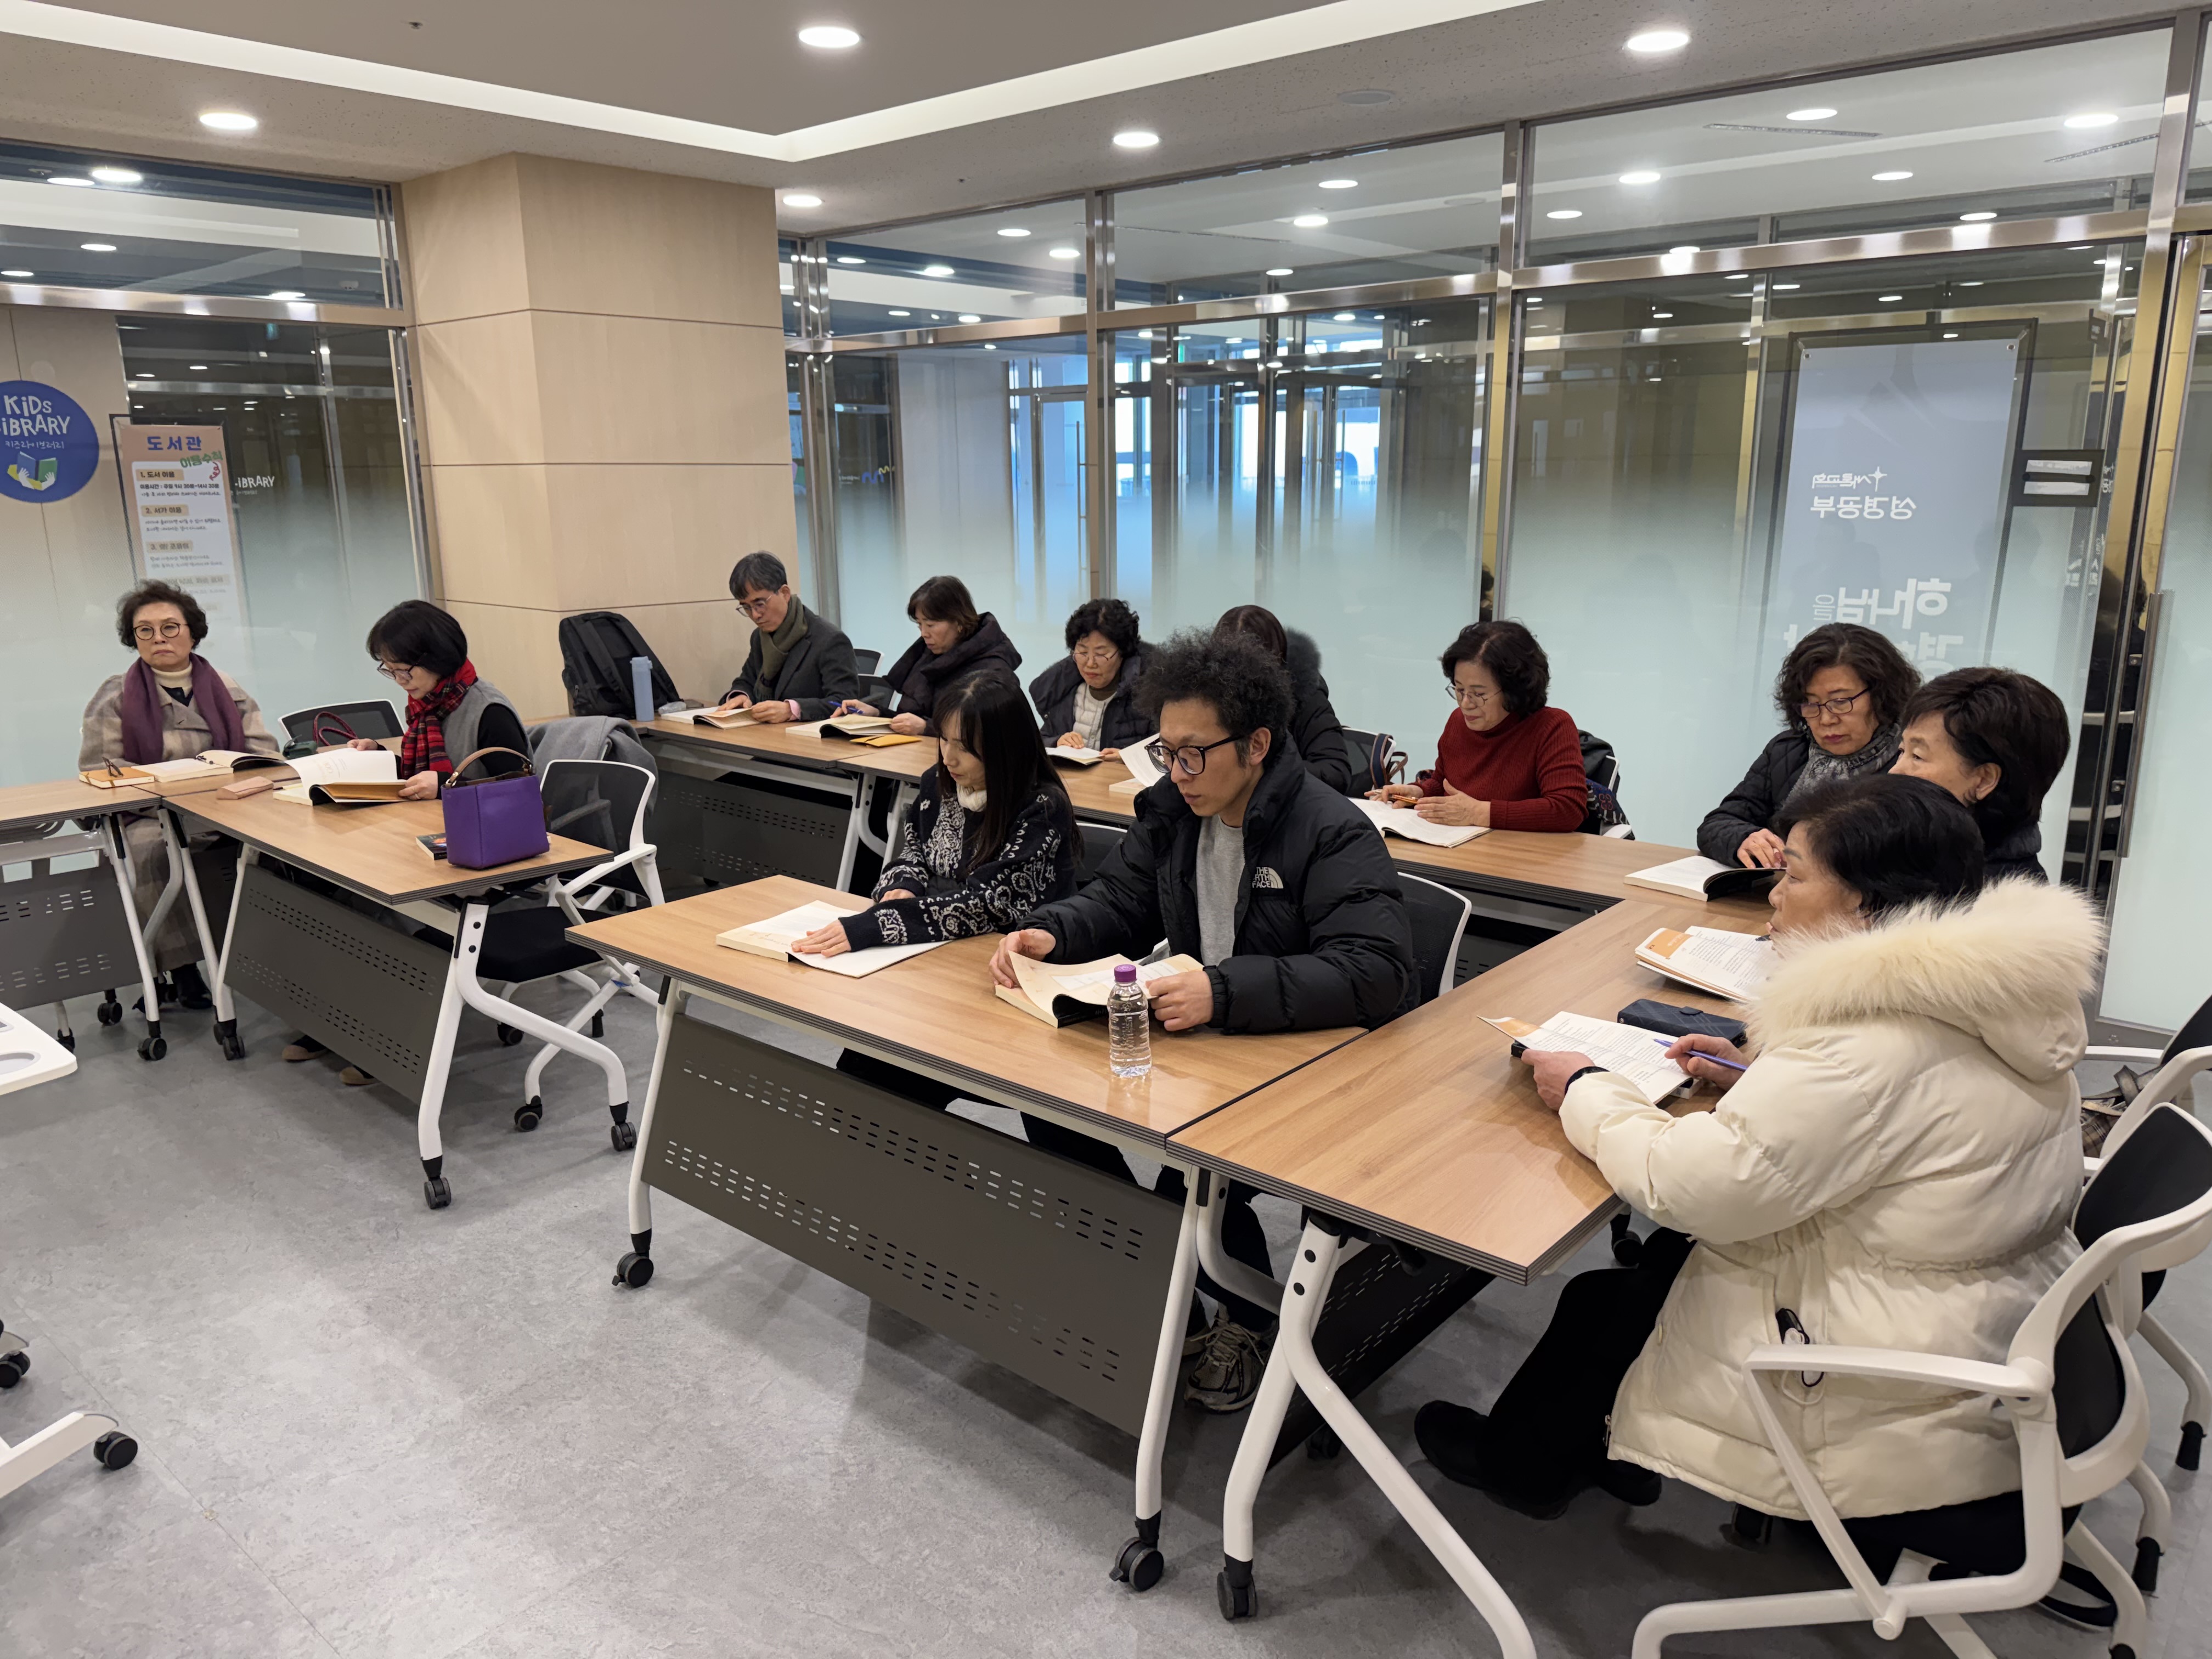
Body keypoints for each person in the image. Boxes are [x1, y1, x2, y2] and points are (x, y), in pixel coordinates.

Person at [1415, 774, 2098, 1550]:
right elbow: (1898, 1120)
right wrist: (1755, 1077)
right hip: (1973, 1319)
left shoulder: (1861, 1047)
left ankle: (1524, 1469)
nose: (1773, 894)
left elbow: (1686, 1185)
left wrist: (1584, 1086)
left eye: (1794, 875)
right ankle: (1588, 1443)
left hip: (1891, 1393)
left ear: (1866, 904)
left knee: (1620, 1289)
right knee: (1640, 1279)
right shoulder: (1994, 993)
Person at [990, 630, 1416, 1410]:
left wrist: (1223, 991)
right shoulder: (1174, 811)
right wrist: (1052, 931)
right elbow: (1120, 899)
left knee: (1194, 1181)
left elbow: (1377, 971)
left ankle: (1246, 1318)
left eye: (1194, 754)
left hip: (1309, 1061)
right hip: (1213, 1040)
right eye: (1167, 751)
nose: (1177, 772)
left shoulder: (1329, 828)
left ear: (1256, 745)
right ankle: (1167, 1294)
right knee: (1052, 1109)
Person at [79, 580, 280, 1007]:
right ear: (133, 639)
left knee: (281, 849)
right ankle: (182, 967)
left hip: (227, 808)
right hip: (149, 815)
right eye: (145, 631)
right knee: (152, 853)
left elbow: (264, 754)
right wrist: (161, 787)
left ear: (193, 632)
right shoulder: (115, 695)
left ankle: (269, 956)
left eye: (170, 627)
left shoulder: (226, 687)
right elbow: (100, 770)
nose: (159, 639)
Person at [794, 675, 1077, 956]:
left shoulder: (1042, 807)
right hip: (936, 942)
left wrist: (877, 925)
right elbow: (914, 850)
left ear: (1005, 748)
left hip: (1006, 953)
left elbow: (989, 905)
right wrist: (904, 885)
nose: (948, 758)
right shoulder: (940, 781)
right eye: (944, 739)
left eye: (964, 747)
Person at [1700, 623, 1920, 868]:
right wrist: (1744, 839)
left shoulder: (1910, 763)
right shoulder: (1788, 752)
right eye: (1811, 704)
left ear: (1882, 696)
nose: (1826, 719)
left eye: (1840, 701)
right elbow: (1718, 823)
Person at [1368, 620, 1586, 832]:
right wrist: (1418, 793)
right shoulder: (1458, 721)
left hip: (1521, 852)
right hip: (1456, 846)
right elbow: (1443, 783)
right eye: (1459, 689)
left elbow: (1567, 809)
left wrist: (1480, 813)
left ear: (1514, 691)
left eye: (1479, 694)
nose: (1465, 704)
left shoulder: (1551, 727)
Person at [1891, 665, 2070, 883]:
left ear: (1984, 781)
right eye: (1902, 751)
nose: (1895, 771)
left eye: (1918, 756)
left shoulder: (1993, 899)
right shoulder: (1912, 858)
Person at [346, 601, 528, 800]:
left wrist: (447, 786)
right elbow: (420, 776)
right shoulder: (429, 705)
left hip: (482, 819)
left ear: (437, 658)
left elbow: (518, 793)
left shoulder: (490, 713)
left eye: (404, 671)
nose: (399, 680)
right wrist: (379, 758)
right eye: (391, 671)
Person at [838, 575, 1020, 736]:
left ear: (959, 622)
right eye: (919, 625)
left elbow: (993, 733)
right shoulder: (927, 657)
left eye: (931, 625)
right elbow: (911, 720)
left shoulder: (993, 669)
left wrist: (927, 728)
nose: (924, 634)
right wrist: (876, 713)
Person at [1213, 605, 1353, 793]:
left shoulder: (1304, 696)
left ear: (1274, 661)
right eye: (1228, 666)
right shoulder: (1208, 696)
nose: (1239, 678)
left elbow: (1335, 773)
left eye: (1250, 666)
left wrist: (1264, 770)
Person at [710, 550, 859, 723]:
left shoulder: (829, 640)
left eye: (760, 604)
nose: (755, 615)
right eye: (746, 608)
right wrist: (741, 696)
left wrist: (793, 710)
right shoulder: (760, 637)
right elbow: (746, 680)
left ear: (785, 593)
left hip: (812, 736)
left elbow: (845, 703)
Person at [1029, 597, 1149, 755]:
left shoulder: (1146, 696)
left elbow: (1164, 752)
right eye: (1083, 652)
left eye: (1101, 654)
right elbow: (1037, 742)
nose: (1090, 663)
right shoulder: (1063, 692)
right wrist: (1057, 742)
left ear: (1123, 653)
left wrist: (1130, 758)